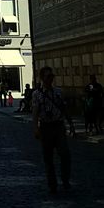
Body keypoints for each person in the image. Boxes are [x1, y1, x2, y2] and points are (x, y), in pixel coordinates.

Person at [30, 67, 73, 195]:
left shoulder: (58, 92)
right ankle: (52, 184)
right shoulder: (37, 94)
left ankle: (65, 180)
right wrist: (35, 128)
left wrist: (71, 124)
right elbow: (35, 113)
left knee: (65, 154)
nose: (51, 78)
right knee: (48, 158)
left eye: (52, 76)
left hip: (59, 125)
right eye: (48, 76)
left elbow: (64, 109)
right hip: (46, 127)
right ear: (42, 78)